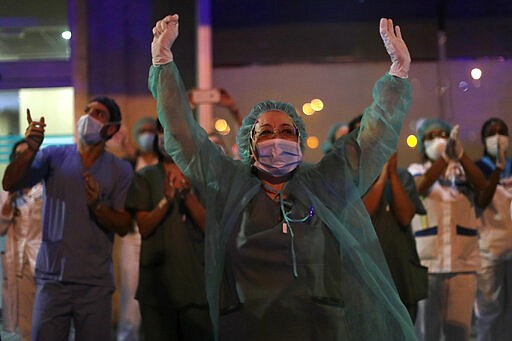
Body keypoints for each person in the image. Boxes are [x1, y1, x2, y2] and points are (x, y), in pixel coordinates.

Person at [150, 14, 415, 340]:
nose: (278, 139)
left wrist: (397, 74)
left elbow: (370, 140)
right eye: (266, 133)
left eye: (287, 131)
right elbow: (183, 134)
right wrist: (163, 64)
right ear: (249, 143)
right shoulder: (231, 182)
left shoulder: (323, 184)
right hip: (249, 326)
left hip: (319, 326)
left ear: (299, 140)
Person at [2, 97, 134, 340]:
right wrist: (31, 147)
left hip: (94, 284)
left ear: (112, 128)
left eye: (98, 113)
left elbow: (124, 225)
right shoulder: (54, 156)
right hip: (53, 280)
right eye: (87, 111)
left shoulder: (120, 170)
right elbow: (10, 183)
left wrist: (97, 206)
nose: (88, 117)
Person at [126, 120, 211, 340]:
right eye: (162, 131)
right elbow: (144, 228)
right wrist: (166, 200)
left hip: (196, 287)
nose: (167, 137)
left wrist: (187, 195)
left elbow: (208, 227)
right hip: (157, 290)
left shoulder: (201, 177)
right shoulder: (145, 178)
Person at [408, 118, 488, 341]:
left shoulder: (463, 172)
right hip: (429, 264)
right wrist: (444, 159)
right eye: (430, 137)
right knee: (427, 331)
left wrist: (461, 156)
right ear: (422, 144)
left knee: (459, 332)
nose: (437, 140)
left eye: (442, 135)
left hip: (463, 262)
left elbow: (483, 187)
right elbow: (420, 188)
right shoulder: (417, 170)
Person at [362, 152, 428, 322]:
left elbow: (405, 217)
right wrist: (383, 178)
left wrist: (392, 174)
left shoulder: (403, 177)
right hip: (366, 278)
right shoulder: (354, 178)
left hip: (400, 275)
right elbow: (362, 215)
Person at [117, 117, 158, 341]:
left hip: (159, 233)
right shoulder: (128, 164)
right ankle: (127, 335)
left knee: (160, 290)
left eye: (151, 130)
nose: (147, 135)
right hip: (133, 235)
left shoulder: (165, 162)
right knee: (131, 292)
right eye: (142, 131)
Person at [473, 118, 512, 341]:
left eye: (502, 131)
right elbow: (482, 200)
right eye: (492, 133)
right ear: (483, 139)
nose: (497, 137)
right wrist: (497, 169)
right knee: (488, 312)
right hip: (489, 251)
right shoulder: (477, 169)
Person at [0, 140, 43, 340]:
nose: (23, 158)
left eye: (28, 154)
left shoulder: (46, 187)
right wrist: (9, 200)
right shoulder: (6, 190)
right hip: (20, 261)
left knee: (49, 318)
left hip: (46, 262)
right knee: (25, 321)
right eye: (18, 155)